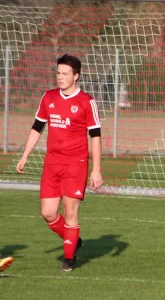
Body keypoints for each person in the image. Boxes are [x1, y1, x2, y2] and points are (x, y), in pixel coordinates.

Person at [16, 54, 103, 272]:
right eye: (58, 73)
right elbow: (37, 128)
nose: (60, 77)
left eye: (65, 74)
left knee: (70, 210)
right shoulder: (48, 98)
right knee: (48, 212)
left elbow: (95, 136)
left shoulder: (87, 102)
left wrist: (97, 169)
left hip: (76, 163)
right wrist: (25, 155)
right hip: (52, 163)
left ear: (76, 76)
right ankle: (73, 240)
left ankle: (69, 258)